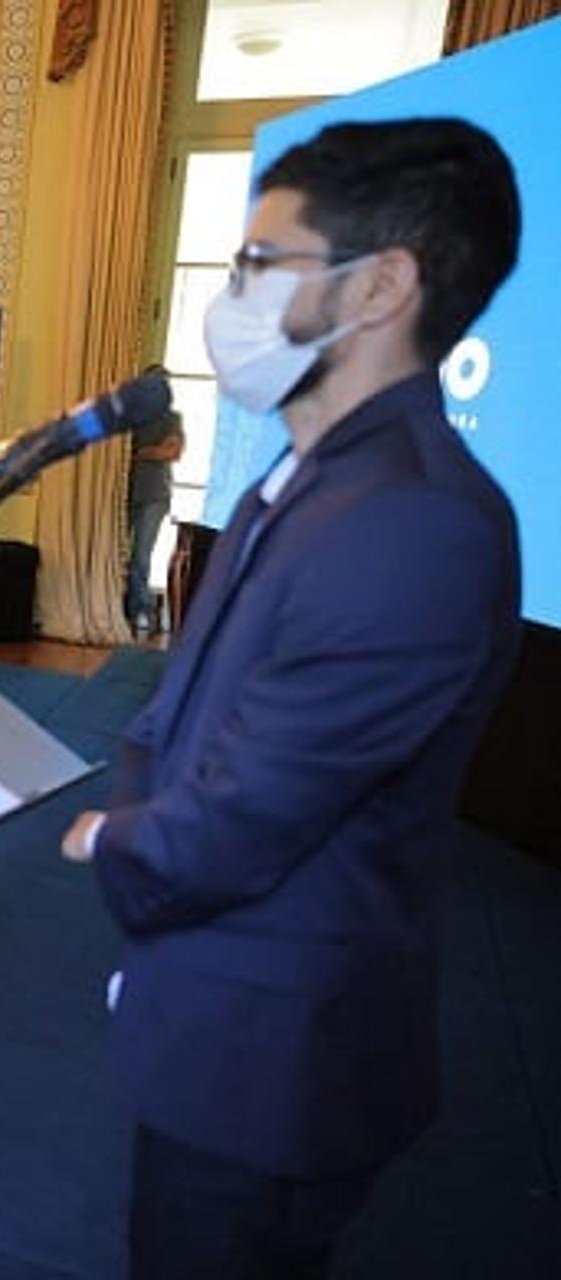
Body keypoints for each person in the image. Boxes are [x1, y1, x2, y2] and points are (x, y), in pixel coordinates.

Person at [57, 118, 523, 1279]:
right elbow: (180, 708)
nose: (235, 298)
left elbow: (249, 812)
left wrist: (115, 834)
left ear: (381, 286)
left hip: (273, 1056)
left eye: (264, 264)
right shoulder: (305, 474)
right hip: (211, 1008)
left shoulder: (416, 518)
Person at [125, 364, 185, 634]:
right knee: (118, 553)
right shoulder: (131, 417)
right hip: (127, 491)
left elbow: (170, 452)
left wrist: (140, 453)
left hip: (154, 495)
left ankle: (142, 610)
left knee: (141, 555)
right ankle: (132, 607)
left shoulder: (172, 418)